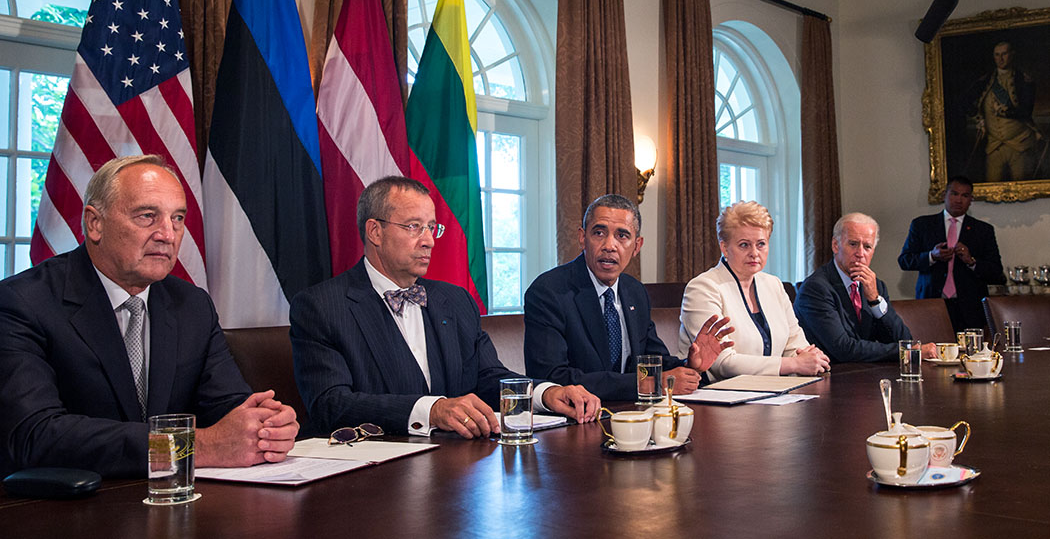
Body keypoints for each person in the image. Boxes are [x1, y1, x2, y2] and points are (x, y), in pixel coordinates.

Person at [0, 155, 299, 478]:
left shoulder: (191, 305)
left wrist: (265, 426)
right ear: (94, 223)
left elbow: (227, 408)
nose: (168, 235)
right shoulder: (22, 303)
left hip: (180, 504)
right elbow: (34, 436)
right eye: (147, 216)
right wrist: (196, 446)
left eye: (178, 219)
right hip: (68, 510)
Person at [290, 177, 601, 439]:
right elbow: (330, 404)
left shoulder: (456, 300)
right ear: (375, 232)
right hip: (372, 479)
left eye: (432, 228)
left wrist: (546, 394)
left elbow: (488, 377)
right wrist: (432, 411)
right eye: (414, 227)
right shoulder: (321, 307)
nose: (429, 241)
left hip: (460, 472)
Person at [523, 194, 733, 401]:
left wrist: (690, 366)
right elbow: (551, 377)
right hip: (577, 420)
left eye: (622, 236)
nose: (609, 245)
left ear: (637, 246)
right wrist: (650, 384)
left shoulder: (635, 292)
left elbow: (654, 360)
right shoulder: (549, 292)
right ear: (582, 238)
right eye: (598, 233)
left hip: (633, 415)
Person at [679, 201, 829, 380]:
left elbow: (795, 346)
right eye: (744, 245)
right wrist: (794, 364)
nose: (754, 253)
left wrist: (810, 358)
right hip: (719, 396)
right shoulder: (703, 288)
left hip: (774, 394)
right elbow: (722, 363)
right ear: (724, 247)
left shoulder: (773, 284)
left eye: (761, 244)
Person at [794, 212, 936, 363]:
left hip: (863, 375)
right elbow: (843, 349)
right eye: (853, 244)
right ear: (836, 245)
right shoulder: (816, 288)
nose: (860, 253)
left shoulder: (876, 286)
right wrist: (905, 353)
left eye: (867, 246)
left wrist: (875, 300)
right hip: (829, 377)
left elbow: (904, 340)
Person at [898, 176, 1005, 331]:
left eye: (965, 196)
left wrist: (971, 261)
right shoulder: (922, 225)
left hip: (970, 310)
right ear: (944, 196)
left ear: (971, 200)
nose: (958, 200)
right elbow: (904, 260)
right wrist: (932, 256)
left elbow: (996, 271)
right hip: (931, 304)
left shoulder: (983, 230)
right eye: (954, 194)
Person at [974, 41, 1043, 182]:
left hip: (1020, 144)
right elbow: (966, 102)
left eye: (1004, 54)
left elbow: (1026, 111)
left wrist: (1005, 112)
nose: (1000, 59)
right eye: (997, 55)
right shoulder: (985, 81)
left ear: (1012, 55)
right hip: (993, 146)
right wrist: (979, 118)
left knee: (1023, 190)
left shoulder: (1024, 81)